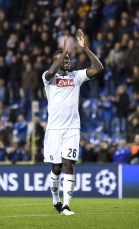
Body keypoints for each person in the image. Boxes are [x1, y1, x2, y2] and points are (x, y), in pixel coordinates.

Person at [42, 29, 103, 215]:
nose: (67, 61)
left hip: (71, 129)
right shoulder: (49, 78)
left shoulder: (76, 76)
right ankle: (56, 201)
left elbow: (99, 68)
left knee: (69, 164)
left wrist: (85, 48)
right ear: (56, 61)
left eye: (68, 59)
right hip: (53, 129)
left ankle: (67, 206)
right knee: (56, 167)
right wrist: (64, 53)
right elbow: (50, 72)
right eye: (63, 59)